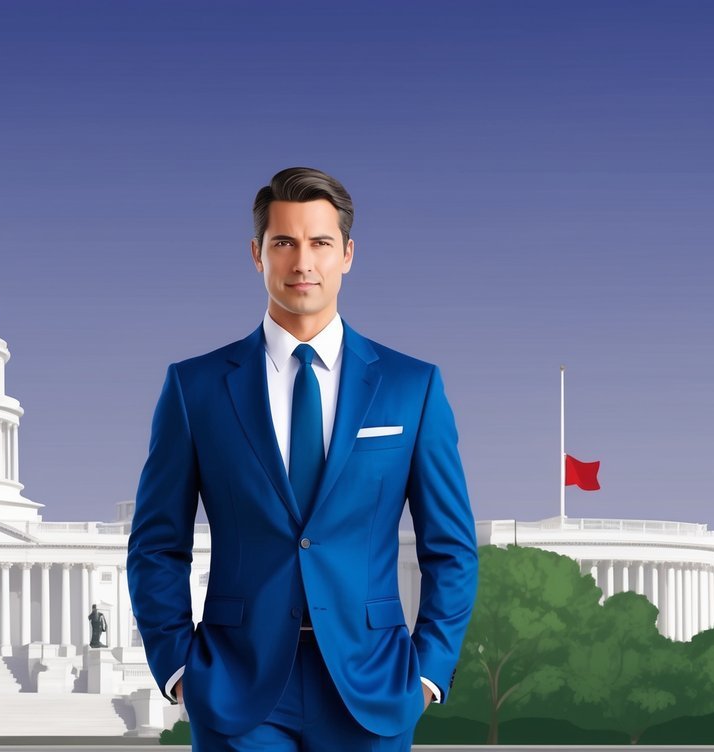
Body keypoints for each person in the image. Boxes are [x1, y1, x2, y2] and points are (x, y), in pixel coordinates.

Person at [126, 167, 479, 750]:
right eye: (283, 242)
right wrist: (180, 671)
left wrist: (427, 675)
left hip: (373, 683)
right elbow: (157, 543)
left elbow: (451, 546)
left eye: (320, 243)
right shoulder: (196, 388)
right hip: (237, 683)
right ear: (256, 253)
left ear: (347, 254)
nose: (302, 262)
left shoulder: (411, 387)